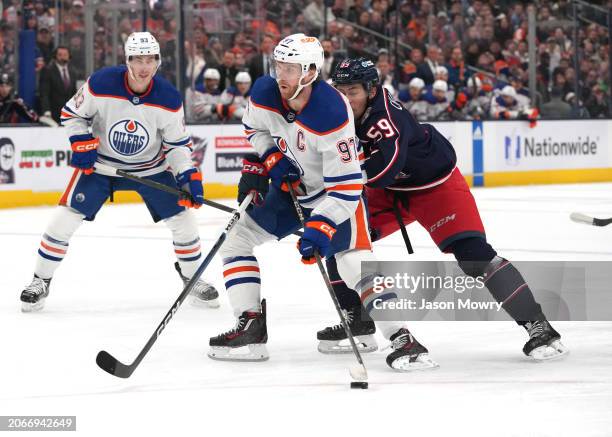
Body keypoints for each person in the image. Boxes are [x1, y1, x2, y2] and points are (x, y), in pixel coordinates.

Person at [207, 35, 435, 371]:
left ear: (311, 71)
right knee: (236, 239)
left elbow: (347, 186)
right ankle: (251, 325)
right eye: (279, 65)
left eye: (291, 68)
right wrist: (270, 157)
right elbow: (253, 127)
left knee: (351, 262)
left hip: (336, 196)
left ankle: (403, 338)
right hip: (292, 190)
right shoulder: (264, 91)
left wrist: (321, 225)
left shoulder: (332, 113)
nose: (281, 75)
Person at [319, 57, 568, 362]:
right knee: (337, 237)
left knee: (475, 256)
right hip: (389, 191)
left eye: (352, 90)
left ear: (371, 90)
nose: (344, 98)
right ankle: (357, 321)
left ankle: (538, 325)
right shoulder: (335, 110)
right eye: (339, 89)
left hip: (434, 187)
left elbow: (385, 167)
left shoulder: (383, 118)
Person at [19, 32, 219, 312]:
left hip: (151, 168)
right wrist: (80, 141)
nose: (144, 66)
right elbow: (71, 115)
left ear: (158, 61)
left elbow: (177, 145)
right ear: (127, 60)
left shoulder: (169, 98)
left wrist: (188, 175)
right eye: (138, 59)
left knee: (183, 221)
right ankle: (40, 280)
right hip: (101, 166)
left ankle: (192, 276)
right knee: (63, 220)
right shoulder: (101, 83)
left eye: (150, 59)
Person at [39, 46, 77, 124]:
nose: (62, 57)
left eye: (65, 55)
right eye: (60, 55)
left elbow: (74, 93)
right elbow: (44, 93)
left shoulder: (72, 71)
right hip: (53, 114)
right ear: (55, 56)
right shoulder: (47, 71)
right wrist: (46, 111)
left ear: (69, 56)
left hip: (69, 114)